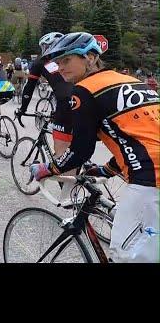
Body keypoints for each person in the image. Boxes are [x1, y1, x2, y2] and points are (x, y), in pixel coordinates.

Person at [30, 32, 160, 263]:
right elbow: (138, 138)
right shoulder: (132, 82)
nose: (60, 68)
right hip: (149, 170)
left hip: (151, 179)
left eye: (66, 60)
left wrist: (48, 169)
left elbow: (80, 150)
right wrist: (107, 170)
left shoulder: (84, 90)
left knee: (125, 256)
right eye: (57, 62)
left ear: (90, 57)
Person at [15, 32, 72, 157]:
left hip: (66, 103)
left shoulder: (41, 62)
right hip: (85, 98)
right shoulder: (72, 59)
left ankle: (66, 172)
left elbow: (29, 88)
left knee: (61, 157)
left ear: (46, 47)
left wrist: (22, 109)